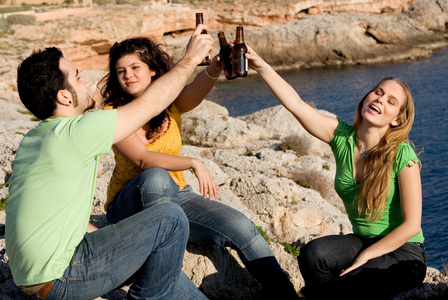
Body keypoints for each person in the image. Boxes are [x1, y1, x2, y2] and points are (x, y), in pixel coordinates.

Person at [6, 24, 214, 300]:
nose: (85, 81)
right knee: (171, 219)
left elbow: (57, 214)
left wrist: (111, 235)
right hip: (60, 278)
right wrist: (190, 60)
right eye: (78, 77)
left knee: (152, 254)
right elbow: (152, 103)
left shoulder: (36, 139)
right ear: (64, 96)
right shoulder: (77, 132)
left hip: (37, 278)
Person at [99, 36, 299, 299]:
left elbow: (195, 90)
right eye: (121, 71)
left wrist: (215, 67)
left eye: (135, 68)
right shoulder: (113, 112)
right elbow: (143, 159)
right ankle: (160, 248)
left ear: (152, 70)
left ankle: (286, 295)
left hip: (176, 195)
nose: (128, 76)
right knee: (156, 177)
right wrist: (193, 162)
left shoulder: (171, 103)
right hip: (128, 207)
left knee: (240, 226)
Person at [245, 47, 427, 299]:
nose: (379, 100)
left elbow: (411, 226)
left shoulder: (402, 154)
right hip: (363, 240)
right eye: (378, 92)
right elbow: (296, 105)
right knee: (313, 255)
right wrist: (260, 65)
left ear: (396, 119)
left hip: (404, 252)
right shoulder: (341, 137)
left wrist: (366, 256)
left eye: (390, 102)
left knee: (348, 285)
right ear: (366, 96)